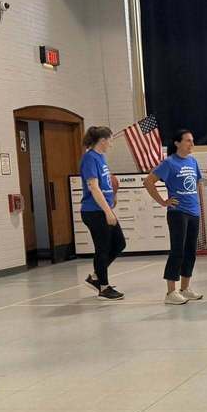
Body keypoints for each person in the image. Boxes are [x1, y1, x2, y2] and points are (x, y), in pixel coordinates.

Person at [144, 129, 204, 305]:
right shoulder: (169, 163)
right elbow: (148, 182)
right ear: (177, 143)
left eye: (192, 141)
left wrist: (198, 204)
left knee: (191, 251)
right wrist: (163, 202)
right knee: (177, 250)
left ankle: (185, 288)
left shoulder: (193, 161)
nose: (191, 144)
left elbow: (197, 183)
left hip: (194, 212)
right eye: (187, 141)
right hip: (178, 212)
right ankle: (171, 292)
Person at [79, 126, 125, 300]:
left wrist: (113, 197)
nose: (111, 144)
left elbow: (105, 183)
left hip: (104, 208)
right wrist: (108, 211)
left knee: (119, 243)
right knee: (103, 248)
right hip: (94, 211)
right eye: (110, 140)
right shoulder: (90, 158)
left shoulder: (101, 158)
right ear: (103, 140)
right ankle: (103, 288)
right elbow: (93, 187)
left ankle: (96, 276)